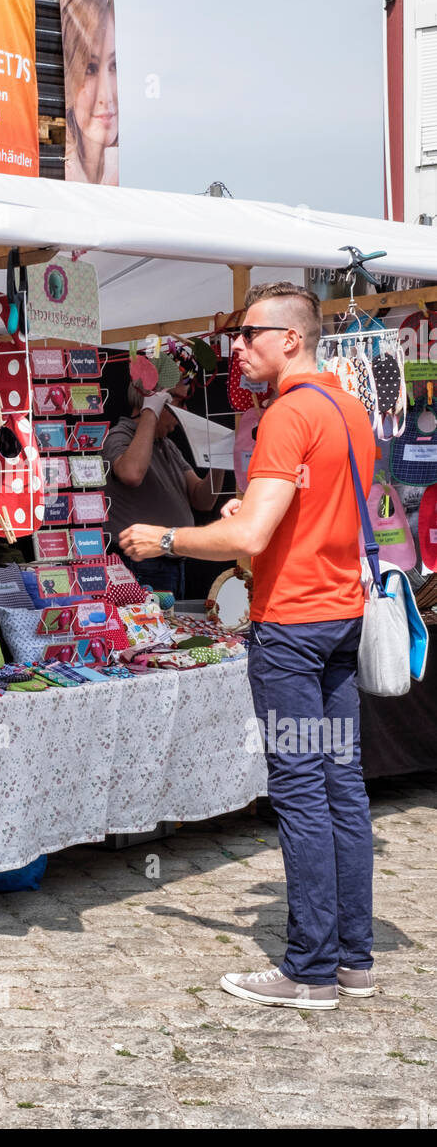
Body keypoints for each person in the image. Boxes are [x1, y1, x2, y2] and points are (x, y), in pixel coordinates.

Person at [119, 282, 377, 1011]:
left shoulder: (290, 414)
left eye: (248, 333)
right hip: (338, 618)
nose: (236, 346)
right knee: (341, 784)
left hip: (294, 628)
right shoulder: (347, 407)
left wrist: (164, 537)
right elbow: (312, 508)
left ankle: (310, 969)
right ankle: (351, 958)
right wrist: (248, 509)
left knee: (301, 789)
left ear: (290, 338)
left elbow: (248, 539)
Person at [103, 377, 222, 598]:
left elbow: (203, 500)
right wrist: (151, 411)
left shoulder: (167, 445)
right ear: (154, 400)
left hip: (170, 564)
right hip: (141, 564)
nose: (184, 411)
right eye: (178, 401)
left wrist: (220, 460)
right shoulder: (121, 436)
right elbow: (131, 474)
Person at [58, 0, 118, 185]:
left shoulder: (114, 175)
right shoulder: (60, 176)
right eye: (90, 69)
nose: (106, 96)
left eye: (113, 66)